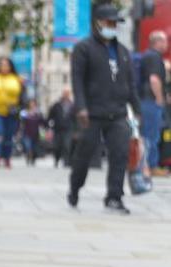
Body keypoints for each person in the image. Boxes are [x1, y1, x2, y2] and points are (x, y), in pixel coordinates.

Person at [68, 3, 140, 215]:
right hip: (91, 113)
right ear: (97, 23)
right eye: (109, 22)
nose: (112, 26)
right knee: (84, 155)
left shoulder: (123, 52)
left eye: (115, 23)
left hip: (117, 113)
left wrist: (136, 109)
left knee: (120, 154)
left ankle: (114, 197)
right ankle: (75, 188)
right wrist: (81, 107)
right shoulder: (83, 48)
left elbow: (130, 84)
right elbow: (77, 80)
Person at [139, 30, 168, 177]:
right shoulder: (154, 57)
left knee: (147, 134)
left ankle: (146, 165)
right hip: (150, 101)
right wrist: (159, 98)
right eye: (165, 41)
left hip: (145, 100)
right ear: (158, 42)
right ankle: (151, 166)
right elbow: (154, 80)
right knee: (152, 135)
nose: (167, 44)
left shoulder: (147, 56)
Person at [47, 88, 75, 168]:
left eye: (67, 93)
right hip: (58, 129)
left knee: (67, 145)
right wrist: (49, 127)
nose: (66, 94)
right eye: (64, 93)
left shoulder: (72, 105)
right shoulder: (57, 105)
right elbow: (50, 116)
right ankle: (56, 159)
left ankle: (66, 162)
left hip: (68, 129)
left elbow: (75, 119)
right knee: (57, 146)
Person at [20, 99, 45, 166]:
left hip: (35, 133)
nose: (32, 105)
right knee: (28, 147)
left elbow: (42, 122)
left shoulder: (38, 113)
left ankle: (33, 159)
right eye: (31, 104)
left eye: (33, 104)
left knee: (34, 148)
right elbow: (21, 121)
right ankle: (28, 157)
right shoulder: (24, 112)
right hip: (26, 132)